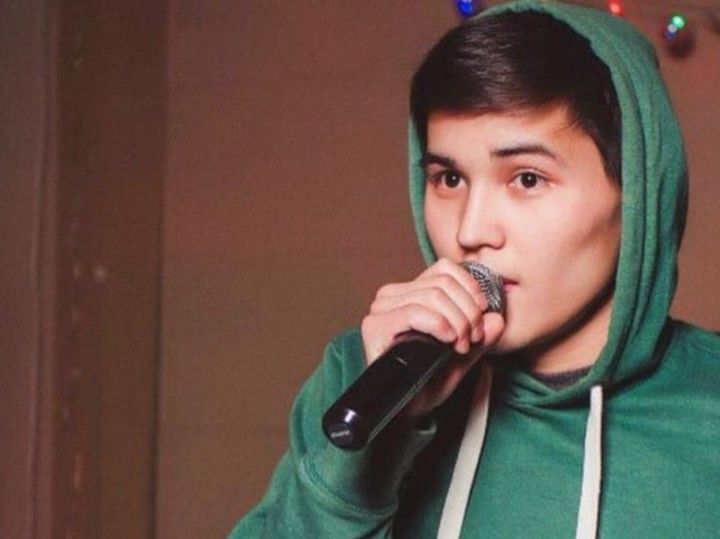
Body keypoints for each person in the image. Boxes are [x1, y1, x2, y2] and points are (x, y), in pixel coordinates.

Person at [229, 1, 720, 537]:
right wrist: (370, 458)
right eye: (449, 179)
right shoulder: (361, 379)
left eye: (527, 179)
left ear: (638, 194)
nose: (470, 230)